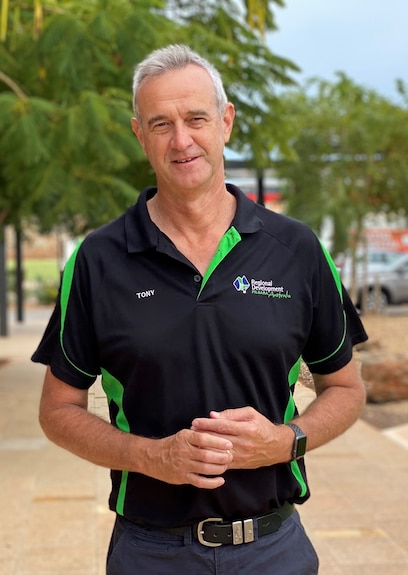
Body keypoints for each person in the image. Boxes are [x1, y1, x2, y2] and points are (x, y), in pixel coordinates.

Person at [33, 44, 368, 574]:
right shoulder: (98, 261)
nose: (181, 140)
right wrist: (151, 457)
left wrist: (285, 443)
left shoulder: (297, 250)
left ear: (226, 122)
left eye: (196, 119)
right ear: (139, 135)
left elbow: (346, 389)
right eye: (161, 124)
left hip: (273, 549)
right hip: (150, 552)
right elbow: (57, 411)